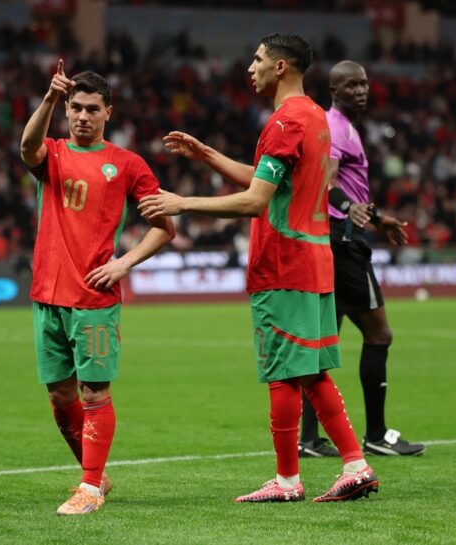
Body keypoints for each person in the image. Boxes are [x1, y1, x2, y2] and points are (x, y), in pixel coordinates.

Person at [139, 33, 378, 503]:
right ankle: (355, 465)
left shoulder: (284, 121)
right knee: (310, 372)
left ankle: (288, 480)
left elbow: (255, 201)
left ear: (281, 66)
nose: (251, 68)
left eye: (258, 59)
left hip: (282, 264)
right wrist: (207, 155)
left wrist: (181, 202)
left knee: (283, 373)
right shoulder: (314, 117)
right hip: (314, 260)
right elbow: (268, 180)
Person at [20, 61, 175, 515]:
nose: (82, 116)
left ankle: (88, 488)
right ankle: (96, 476)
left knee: (93, 393)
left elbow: (164, 227)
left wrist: (123, 263)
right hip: (46, 295)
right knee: (59, 396)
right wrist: (49, 97)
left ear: (109, 112)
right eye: (76, 108)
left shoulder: (127, 164)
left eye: (92, 109)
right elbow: (26, 147)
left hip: (92, 297)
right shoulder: (52, 153)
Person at [298, 60, 425, 458]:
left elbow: (346, 188)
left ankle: (308, 439)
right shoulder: (336, 127)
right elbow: (328, 179)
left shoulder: (344, 127)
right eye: (351, 85)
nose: (360, 90)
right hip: (344, 244)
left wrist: (377, 218)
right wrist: (347, 207)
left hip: (334, 240)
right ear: (333, 91)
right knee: (379, 335)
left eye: (364, 84)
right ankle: (376, 434)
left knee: (323, 345)